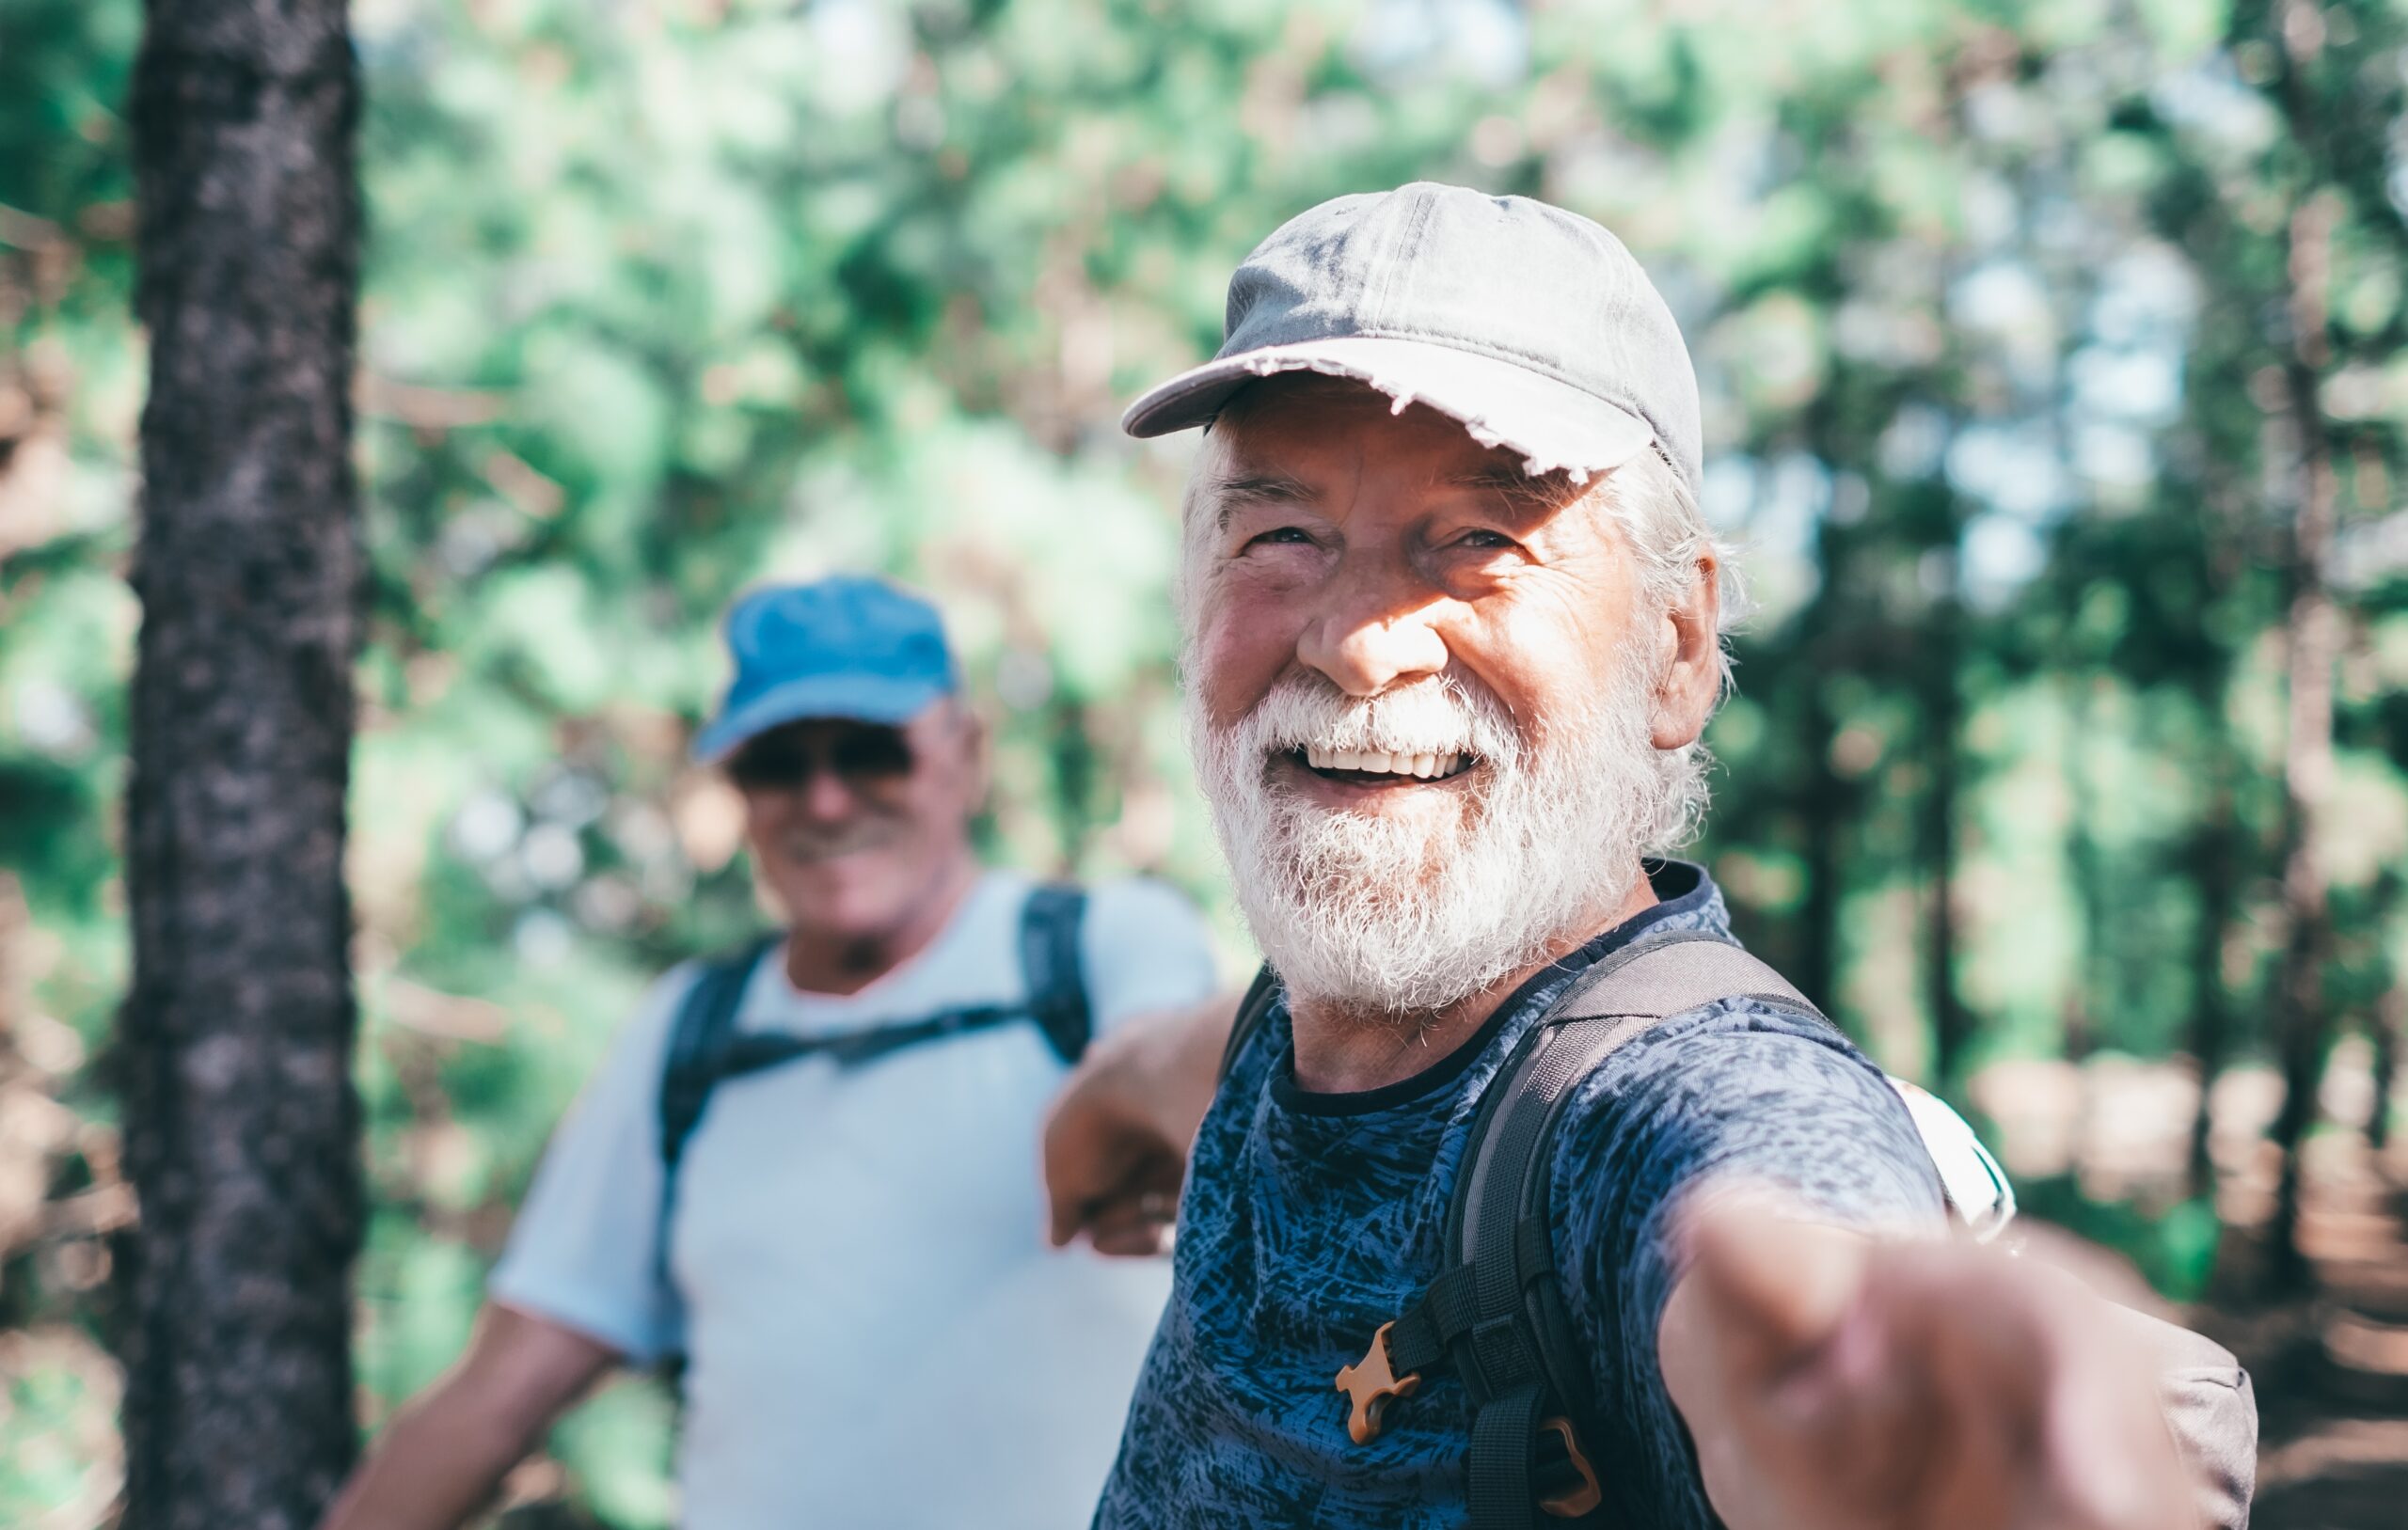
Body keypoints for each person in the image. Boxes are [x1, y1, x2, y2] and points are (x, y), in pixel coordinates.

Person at [1043, 184, 2254, 1529]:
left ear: (1676, 648)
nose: (1359, 639)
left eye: (1481, 542)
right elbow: (1182, 1060)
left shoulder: (1675, 1113)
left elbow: (1785, 1247)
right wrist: (1096, 1110)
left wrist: (1884, 1414)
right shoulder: (1289, 1030)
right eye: (1280, 536)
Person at [325, 576, 1220, 1530]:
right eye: (778, 766)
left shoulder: (1092, 950)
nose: (824, 802)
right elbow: (501, 1391)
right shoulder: (688, 1035)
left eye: (871, 753)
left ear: (966, 754)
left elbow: (1179, 1064)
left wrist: (1122, 1120)